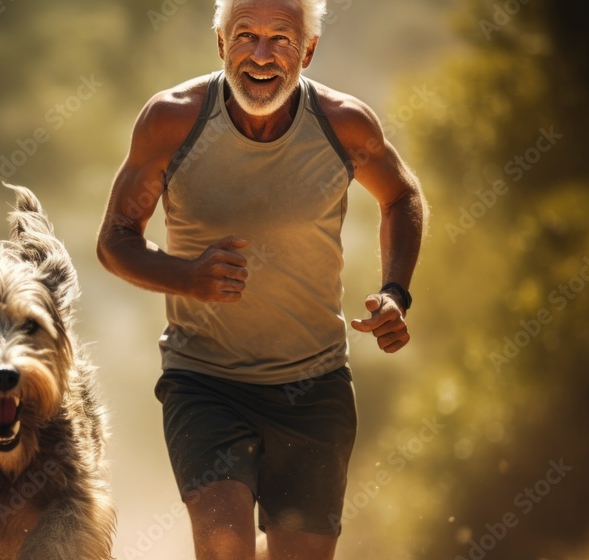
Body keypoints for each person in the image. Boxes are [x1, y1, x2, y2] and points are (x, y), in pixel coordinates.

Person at [96, 0, 428, 558]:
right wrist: (188, 277)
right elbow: (115, 240)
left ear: (310, 50)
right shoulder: (172, 118)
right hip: (204, 381)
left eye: (282, 39)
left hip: (314, 385)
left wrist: (395, 292)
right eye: (245, 35)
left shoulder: (344, 124)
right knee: (226, 546)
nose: (261, 55)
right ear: (221, 44)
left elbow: (401, 195)